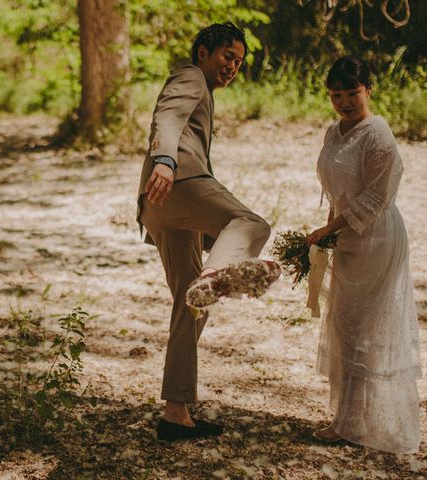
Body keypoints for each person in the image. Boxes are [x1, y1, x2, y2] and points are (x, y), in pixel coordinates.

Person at [137, 22, 272, 441]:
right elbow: (169, 114)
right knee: (252, 223)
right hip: (175, 183)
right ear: (202, 53)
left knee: (189, 303)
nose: (233, 66)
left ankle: (175, 412)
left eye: (239, 61)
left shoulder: (206, 89)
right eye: (227, 56)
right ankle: (216, 276)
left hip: (158, 205)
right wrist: (165, 160)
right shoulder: (190, 75)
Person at [306, 55, 421, 454]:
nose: (344, 102)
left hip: (377, 237)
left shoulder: (378, 134)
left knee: (364, 330)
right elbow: (335, 191)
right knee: (344, 325)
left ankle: (357, 423)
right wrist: (328, 232)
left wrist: (330, 229)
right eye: (336, 95)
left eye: (352, 93)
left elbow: (376, 196)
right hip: (348, 237)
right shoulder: (333, 132)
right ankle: (349, 417)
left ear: (368, 89)